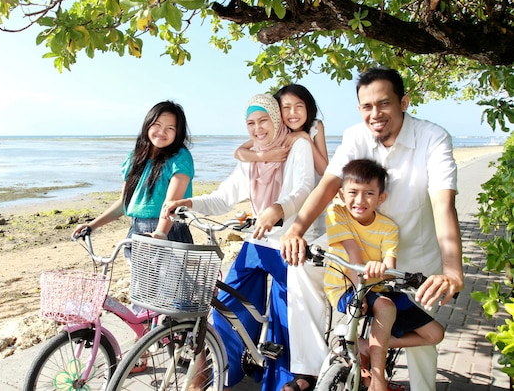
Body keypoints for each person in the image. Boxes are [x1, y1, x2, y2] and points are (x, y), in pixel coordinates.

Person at [280, 67, 464, 391]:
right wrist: (295, 230)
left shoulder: (433, 138)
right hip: (362, 255)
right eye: (367, 106)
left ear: (403, 102)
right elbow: (327, 186)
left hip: (414, 260)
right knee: (300, 267)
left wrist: (452, 270)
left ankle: (383, 350)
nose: (375, 114)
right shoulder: (355, 137)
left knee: (423, 349)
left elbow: (443, 204)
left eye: (384, 104)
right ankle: (309, 370)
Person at [163, 93, 326, 391]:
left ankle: (289, 381)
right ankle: (224, 372)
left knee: (285, 312)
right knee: (227, 304)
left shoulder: (298, 145)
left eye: (264, 120)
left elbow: (304, 188)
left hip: (290, 241)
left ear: (276, 120)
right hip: (259, 241)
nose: (258, 128)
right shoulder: (254, 156)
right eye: (251, 122)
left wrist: (278, 209)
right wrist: (190, 202)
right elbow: (224, 196)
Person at [325, 159, 444, 391]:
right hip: (345, 286)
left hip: (378, 288)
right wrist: (368, 271)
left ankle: (371, 345)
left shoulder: (388, 228)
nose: (360, 200)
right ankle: (378, 382)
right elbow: (353, 256)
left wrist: (383, 269)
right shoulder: (336, 213)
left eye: (369, 193)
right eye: (353, 192)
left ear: (381, 198)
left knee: (434, 333)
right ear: (341, 194)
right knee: (386, 307)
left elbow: (389, 265)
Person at [72, 100, 194, 251]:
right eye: (157, 124)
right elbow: (124, 203)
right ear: (147, 124)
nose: (162, 132)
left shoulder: (180, 158)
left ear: (178, 133)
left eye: (170, 128)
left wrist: (160, 233)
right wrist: (92, 225)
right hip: (137, 232)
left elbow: (172, 204)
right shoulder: (134, 159)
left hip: (170, 233)